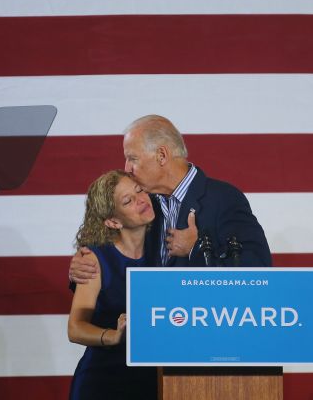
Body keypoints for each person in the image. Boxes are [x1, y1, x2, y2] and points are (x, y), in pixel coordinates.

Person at [70, 114, 271, 282]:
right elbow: (116, 245)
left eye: (133, 158)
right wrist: (84, 263)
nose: (127, 169)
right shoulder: (145, 204)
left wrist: (195, 249)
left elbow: (257, 270)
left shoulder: (223, 199)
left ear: (162, 156)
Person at [67, 170, 157, 399]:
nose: (141, 200)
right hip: (103, 382)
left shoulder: (163, 250)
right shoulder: (94, 259)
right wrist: (114, 337)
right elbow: (75, 328)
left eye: (140, 191)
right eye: (128, 201)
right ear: (113, 221)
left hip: (152, 382)